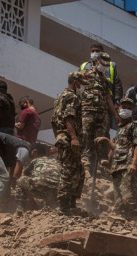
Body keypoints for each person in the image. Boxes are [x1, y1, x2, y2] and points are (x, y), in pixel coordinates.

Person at [96, 98, 137, 222]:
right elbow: (118, 147)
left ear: (133, 110)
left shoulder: (135, 125)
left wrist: (134, 164)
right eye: (124, 107)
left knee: (128, 198)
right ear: (118, 109)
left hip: (128, 167)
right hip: (116, 168)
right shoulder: (120, 129)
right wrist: (107, 141)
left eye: (129, 107)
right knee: (118, 203)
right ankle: (124, 225)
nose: (126, 109)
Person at [51, 71, 88, 216]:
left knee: (78, 170)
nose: (83, 87)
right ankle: (64, 207)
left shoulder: (59, 97)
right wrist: (73, 137)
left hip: (61, 137)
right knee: (69, 171)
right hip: (68, 137)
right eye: (82, 83)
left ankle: (71, 203)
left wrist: (58, 138)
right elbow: (69, 117)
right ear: (76, 82)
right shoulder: (72, 97)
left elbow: (54, 121)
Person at [80, 51, 118, 174]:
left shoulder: (105, 81)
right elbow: (78, 91)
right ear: (97, 61)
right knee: (86, 133)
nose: (104, 67)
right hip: (87, 110)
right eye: (102, 64)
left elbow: (108, 98)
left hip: (102, 113)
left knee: (100, 136)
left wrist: (115, 115)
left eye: (106, 65)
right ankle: (85, 157)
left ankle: (99, 159)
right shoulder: (85, 74)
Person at [14, 143, 58, 215]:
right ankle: (50, 207)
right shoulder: (55, 161)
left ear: (34, 152)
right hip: (57, 192)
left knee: (20, 180)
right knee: (48, 185)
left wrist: (30, 198)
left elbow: (24, 175)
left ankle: (20, 208)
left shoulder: (35, 160)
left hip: (40, 188)